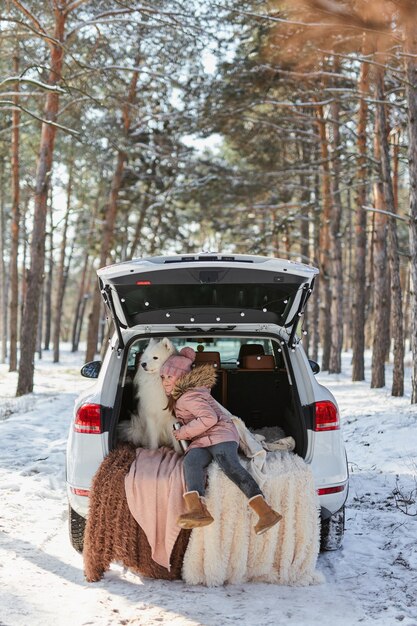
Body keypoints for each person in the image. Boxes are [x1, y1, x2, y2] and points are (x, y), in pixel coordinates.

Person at [160, 346, 282, 534]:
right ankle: (198, 509)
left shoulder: (188, 396)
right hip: (202, 439)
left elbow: (210, 418)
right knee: (191, 461)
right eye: (163, 377)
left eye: (170, 377)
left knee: (229, 465)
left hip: (222, 434)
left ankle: (266, 512)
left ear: (183, 377)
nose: (166, 382)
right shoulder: (183, 396)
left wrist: (184, 432)